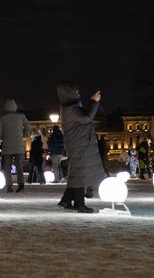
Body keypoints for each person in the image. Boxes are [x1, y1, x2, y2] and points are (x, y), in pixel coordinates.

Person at [56, 82, 106, 213]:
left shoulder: (71, 107)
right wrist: (93, 102)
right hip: (78, 145)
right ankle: (79, 204)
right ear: (70, 93)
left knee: (77, 173)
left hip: (78, 144)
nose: (78, 93)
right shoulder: (70, 109)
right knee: (79, 174)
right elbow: (87, 117)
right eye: (76, 91)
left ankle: (66, 201)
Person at [0, 99, 32, 193]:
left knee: (7, 167)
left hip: (7, 145)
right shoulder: (21, 116)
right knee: (19, 166)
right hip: (19, 144)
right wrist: (25, 134)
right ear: (15, 107)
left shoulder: (2, 118)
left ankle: (9, 185)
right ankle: (21, 184)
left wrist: (3, 137)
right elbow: (29, 127)